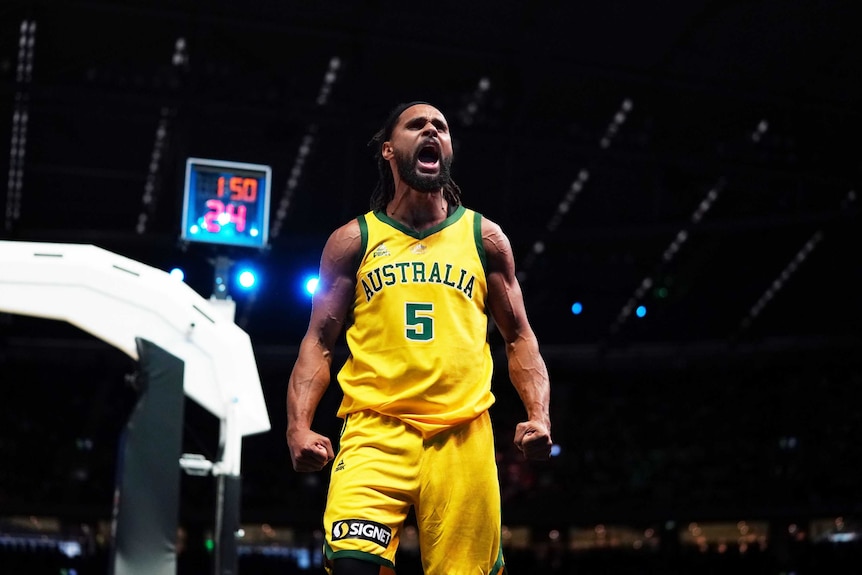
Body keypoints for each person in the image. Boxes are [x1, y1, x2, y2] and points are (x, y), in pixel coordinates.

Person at [286, 101, 552, 575]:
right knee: (351, 568)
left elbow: (519, 338)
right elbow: (319, 342)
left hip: (462, 435)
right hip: (375, 429)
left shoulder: (483, 237)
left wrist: (539, 415)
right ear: (389, 149)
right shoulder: (353, 240)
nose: (432, 129)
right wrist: (298, 427)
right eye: (417, 124)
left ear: (447, 149)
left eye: (442, 127)